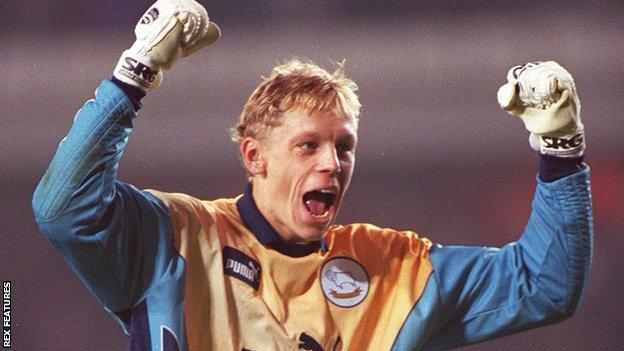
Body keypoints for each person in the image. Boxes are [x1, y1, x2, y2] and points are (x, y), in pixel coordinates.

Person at [32, 1, 593, 350]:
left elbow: (544, 286)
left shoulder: (394, 272)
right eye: (309, 145)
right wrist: (134, 72)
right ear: (255, 157)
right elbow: (62, 208)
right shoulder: (177, 239)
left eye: (343, 146)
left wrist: (560, 147)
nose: (332, 163)